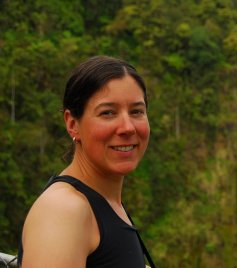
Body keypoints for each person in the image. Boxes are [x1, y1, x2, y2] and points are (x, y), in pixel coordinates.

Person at [18, 56, 155, 268]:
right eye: (108, 113)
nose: (128, 127)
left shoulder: (107, 204)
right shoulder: (64, 211)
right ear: (73, 124)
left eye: (136, 111)